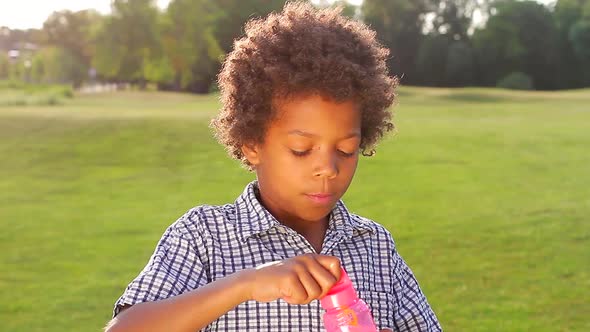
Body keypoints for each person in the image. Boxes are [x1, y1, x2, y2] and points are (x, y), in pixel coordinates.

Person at [105, 2, 442, 331]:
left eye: (346, 149)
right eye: (300, 149)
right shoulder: (204, 238)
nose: (327, 168)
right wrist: (244, 285)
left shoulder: (375, 245)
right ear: (252, 144)